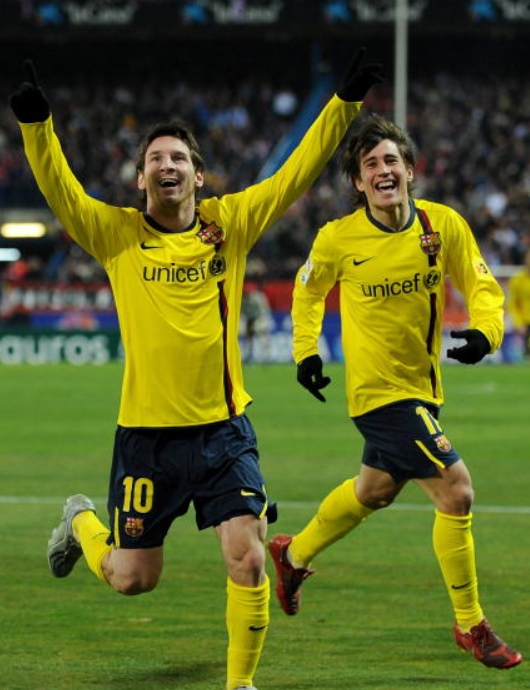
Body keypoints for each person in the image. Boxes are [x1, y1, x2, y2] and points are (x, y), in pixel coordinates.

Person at [9, 50, 384, 690]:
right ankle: (80, 520)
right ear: (140, 179)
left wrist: (343, 105)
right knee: (134, 579)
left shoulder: (228, 224)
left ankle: (240, 685)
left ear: (198, 175)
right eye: (156, 158)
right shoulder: (115, 234)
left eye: (179, 157)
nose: (167, 165)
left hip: (223, 432)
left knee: (248, 558)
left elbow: (293, 175)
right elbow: (61, 189)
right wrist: (37, 126)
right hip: (147, 439)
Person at [267, 113, 523, 670]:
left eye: (390, 160)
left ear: (409, 169)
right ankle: (470, 624)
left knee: (375, 490)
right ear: (358, 183)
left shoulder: (441, 225)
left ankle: (293, 554)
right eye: (370, 165)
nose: (382, 170)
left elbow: (480, 284)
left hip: (423, 388)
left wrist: (487, 331)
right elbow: (308, 293)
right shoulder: (338, 238)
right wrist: (306, 351)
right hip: (378, 393)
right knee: (456, 491)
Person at [507, 246, 530, 358]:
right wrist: (518, 322)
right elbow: (512, 304)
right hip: (525, 323)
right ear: (525, 260)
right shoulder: (517, 280)